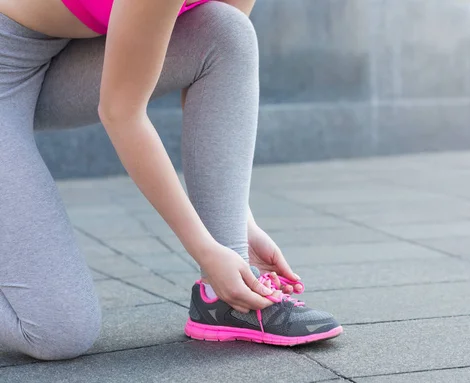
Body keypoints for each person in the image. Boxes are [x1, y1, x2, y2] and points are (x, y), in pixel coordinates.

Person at [0, 0, 342, 361]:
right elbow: (121, 113)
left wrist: (238, 227)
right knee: (59, 332)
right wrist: (206, 251)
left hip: (56, 57)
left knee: (224, 32)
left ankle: (229, 300)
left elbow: (216, 88)